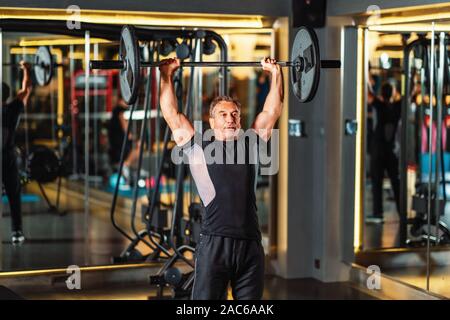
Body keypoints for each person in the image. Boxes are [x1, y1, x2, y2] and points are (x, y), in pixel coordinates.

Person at [159, 57, 283, 300]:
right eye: (223, 114)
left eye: (235, 114)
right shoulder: (197, 145)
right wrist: (166, 76)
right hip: (215, 244)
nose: (230, 118)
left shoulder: (251, 143)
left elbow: (271, 111)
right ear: (212, 121)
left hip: (250, 244)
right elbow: (171, 113)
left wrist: (276, 74)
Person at [2, 61, 32, 244]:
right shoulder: (12, 108)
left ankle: (17, 231)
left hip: (7, 158)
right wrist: (27, 70)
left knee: (14, 194)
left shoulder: (12, 109)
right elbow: (26, 89)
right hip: (8, 158)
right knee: (13, 196)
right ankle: (17, 232)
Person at [366, 82, 401, 224]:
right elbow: (406, 96)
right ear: (392, 93)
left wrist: (367, 80)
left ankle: (378, 213)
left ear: (382, 94)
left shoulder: (379, 106)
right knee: (395, 182)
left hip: (379, 150)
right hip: (390, 151)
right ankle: (401, 211)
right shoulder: (397, 107)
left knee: (377, 182)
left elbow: (369, 96)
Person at [107, 96, 141, 184]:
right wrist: (135, 138)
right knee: (139, 147)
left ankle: (127, 167)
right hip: (120, 145)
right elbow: (126, 130)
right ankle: (126, 165)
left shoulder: (116, 112)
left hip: (115, 144)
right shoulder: (120, 112)